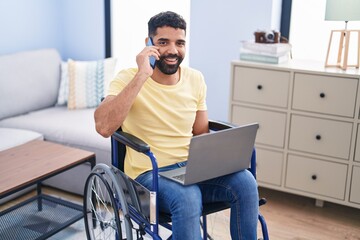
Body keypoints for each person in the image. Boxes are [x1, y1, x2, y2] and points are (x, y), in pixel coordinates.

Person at [94, 11, 259, 240]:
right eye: (163, 42)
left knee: (246, 182)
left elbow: (200, 132)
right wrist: (143, 74)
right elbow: (103, 127)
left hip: (190, 169)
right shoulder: (128, 77)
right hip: (149, 173)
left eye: (179, 43)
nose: (173, 50)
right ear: (148, 44)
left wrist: (221, 157)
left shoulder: (195, 79)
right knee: (187, 196)